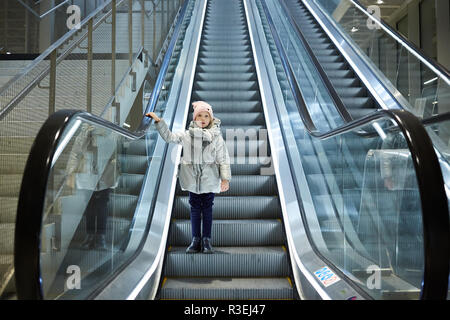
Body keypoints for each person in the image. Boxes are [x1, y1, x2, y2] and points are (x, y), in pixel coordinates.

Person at [146, 101, 231, 254]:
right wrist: (159, 122)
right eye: (199, 116)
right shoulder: (187, 135)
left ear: (211, 119)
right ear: (194, 118)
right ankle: (195, 239)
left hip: (209, 180)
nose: (203, 119)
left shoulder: (216, 137)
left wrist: (225, 179)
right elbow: (169, 137)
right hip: (192, 180)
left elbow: (223, 158)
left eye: (206, 116)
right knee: (194, 209)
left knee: (207, 209)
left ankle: (206, 240)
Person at [66, 124, 120, 250]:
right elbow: (76, 152)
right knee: (89, 204)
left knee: (102, 205)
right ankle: (90, 235)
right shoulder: (85, 133)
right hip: (87, 174)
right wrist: (70, 172)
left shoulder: (111, 131)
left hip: (105, 173)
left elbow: (115, 147)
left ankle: (100, 236)